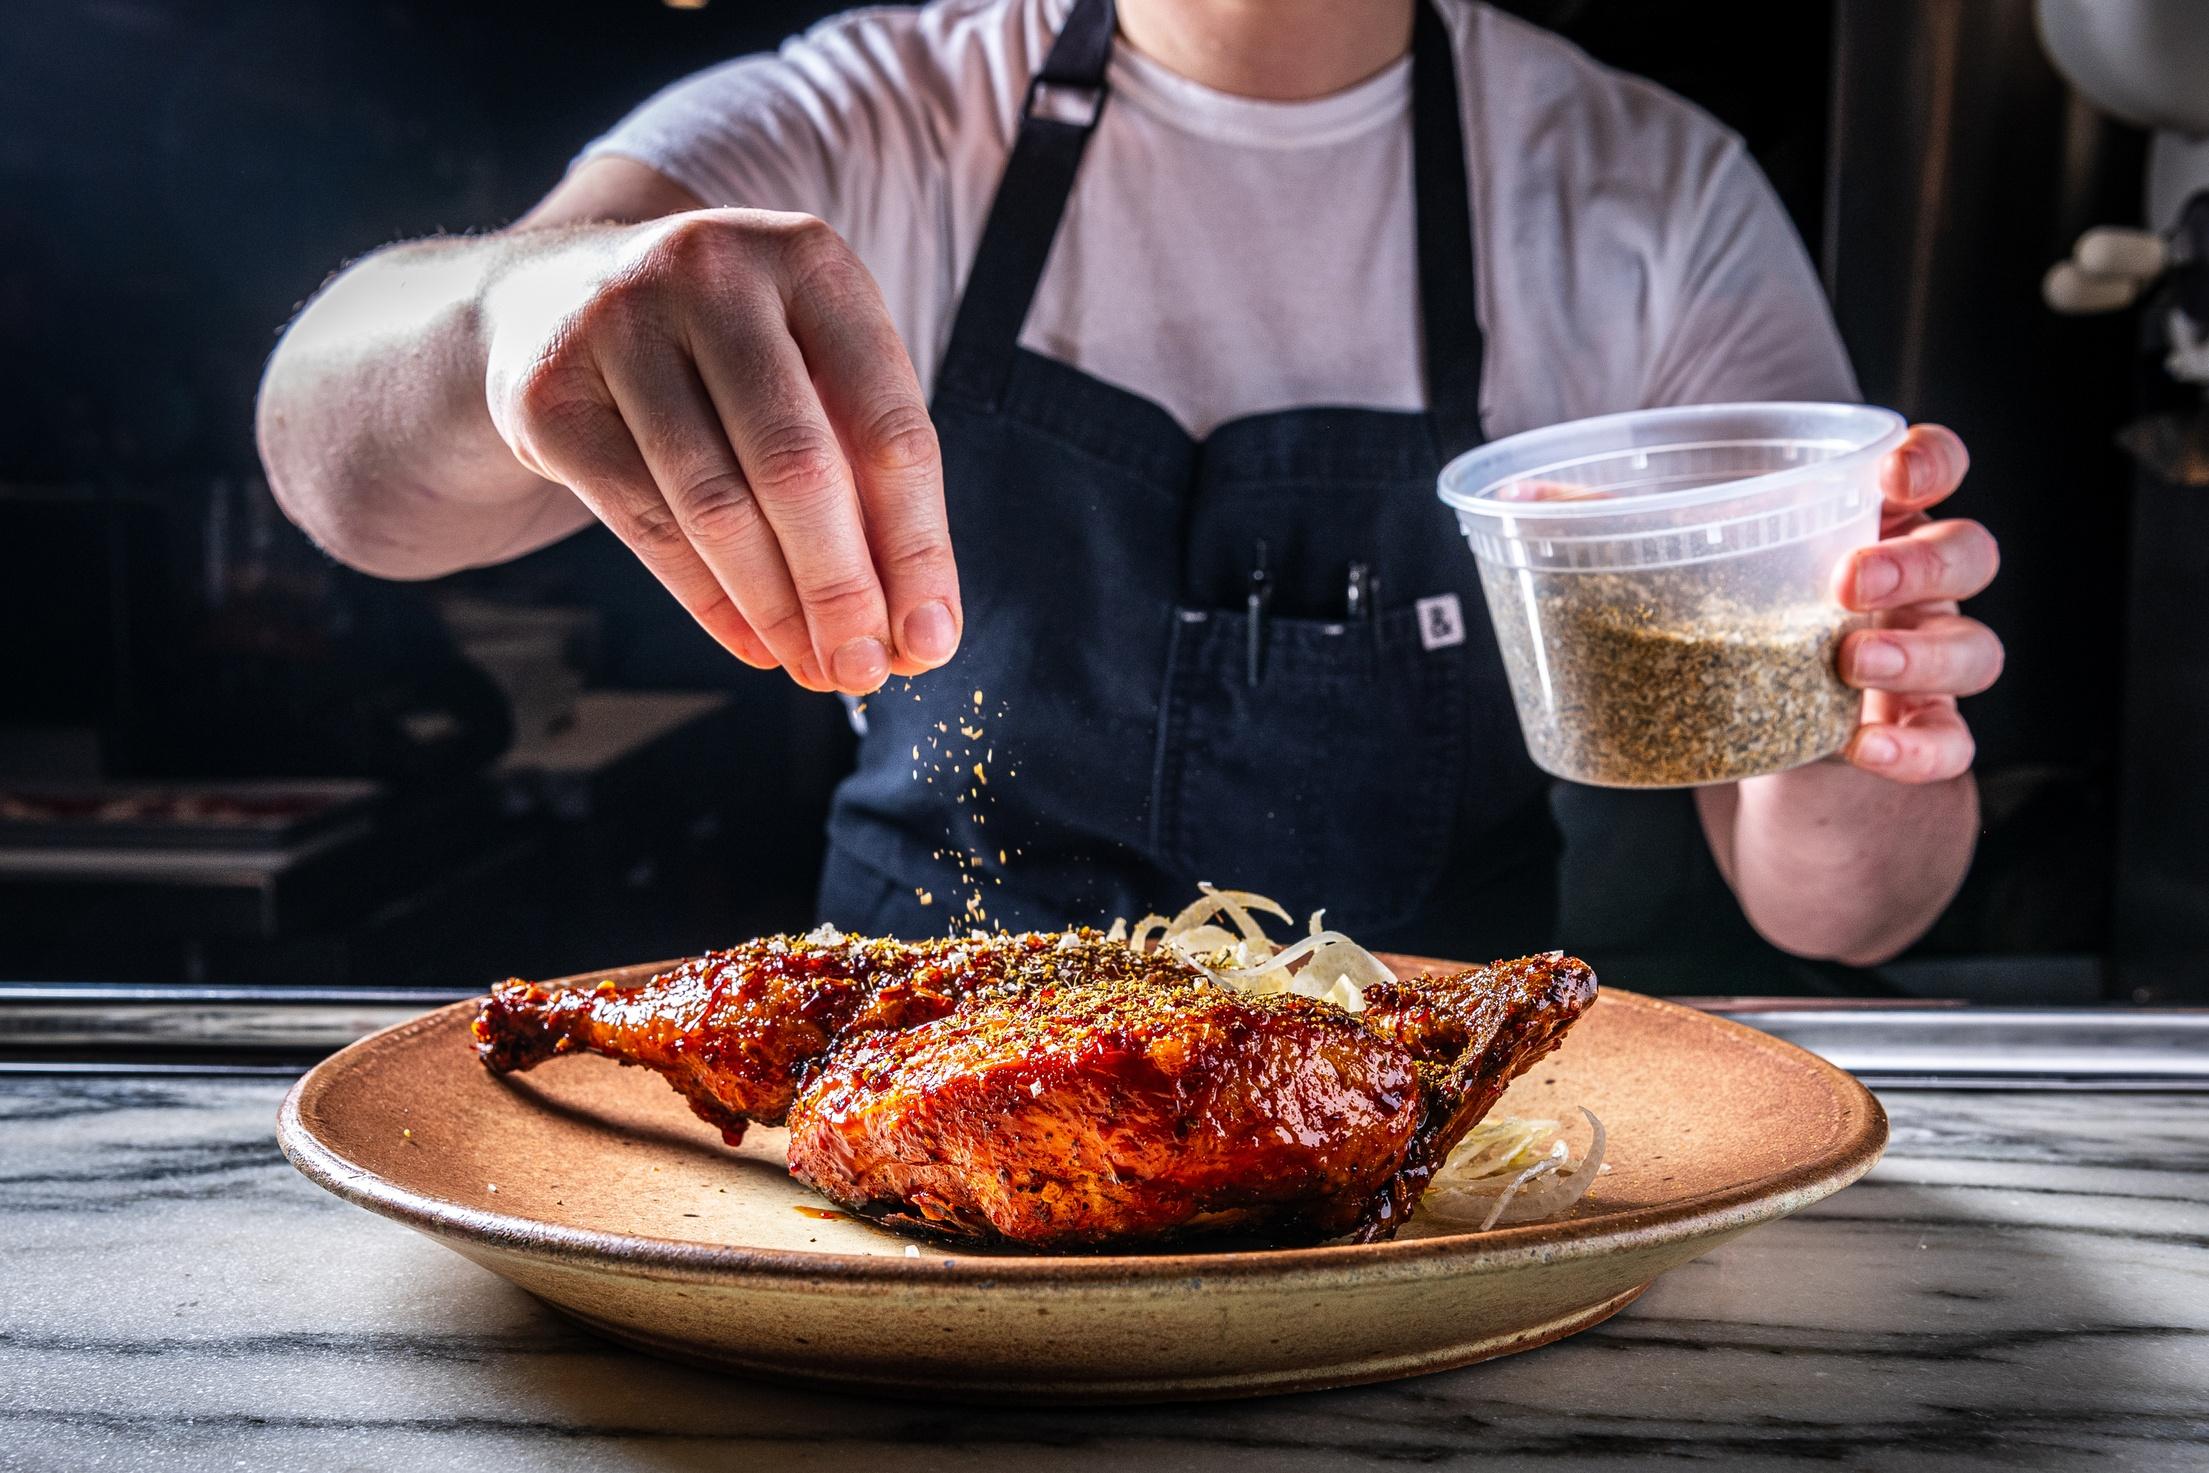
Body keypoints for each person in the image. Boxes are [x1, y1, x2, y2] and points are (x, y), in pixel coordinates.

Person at [257, 0, 2003, 964]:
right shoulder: (879, 115)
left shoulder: (1643, 201)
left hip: (1423, 1171)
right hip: (906, 1110)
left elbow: (1836, 903)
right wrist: (515, 309)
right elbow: (341, 473)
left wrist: (1879, 712)